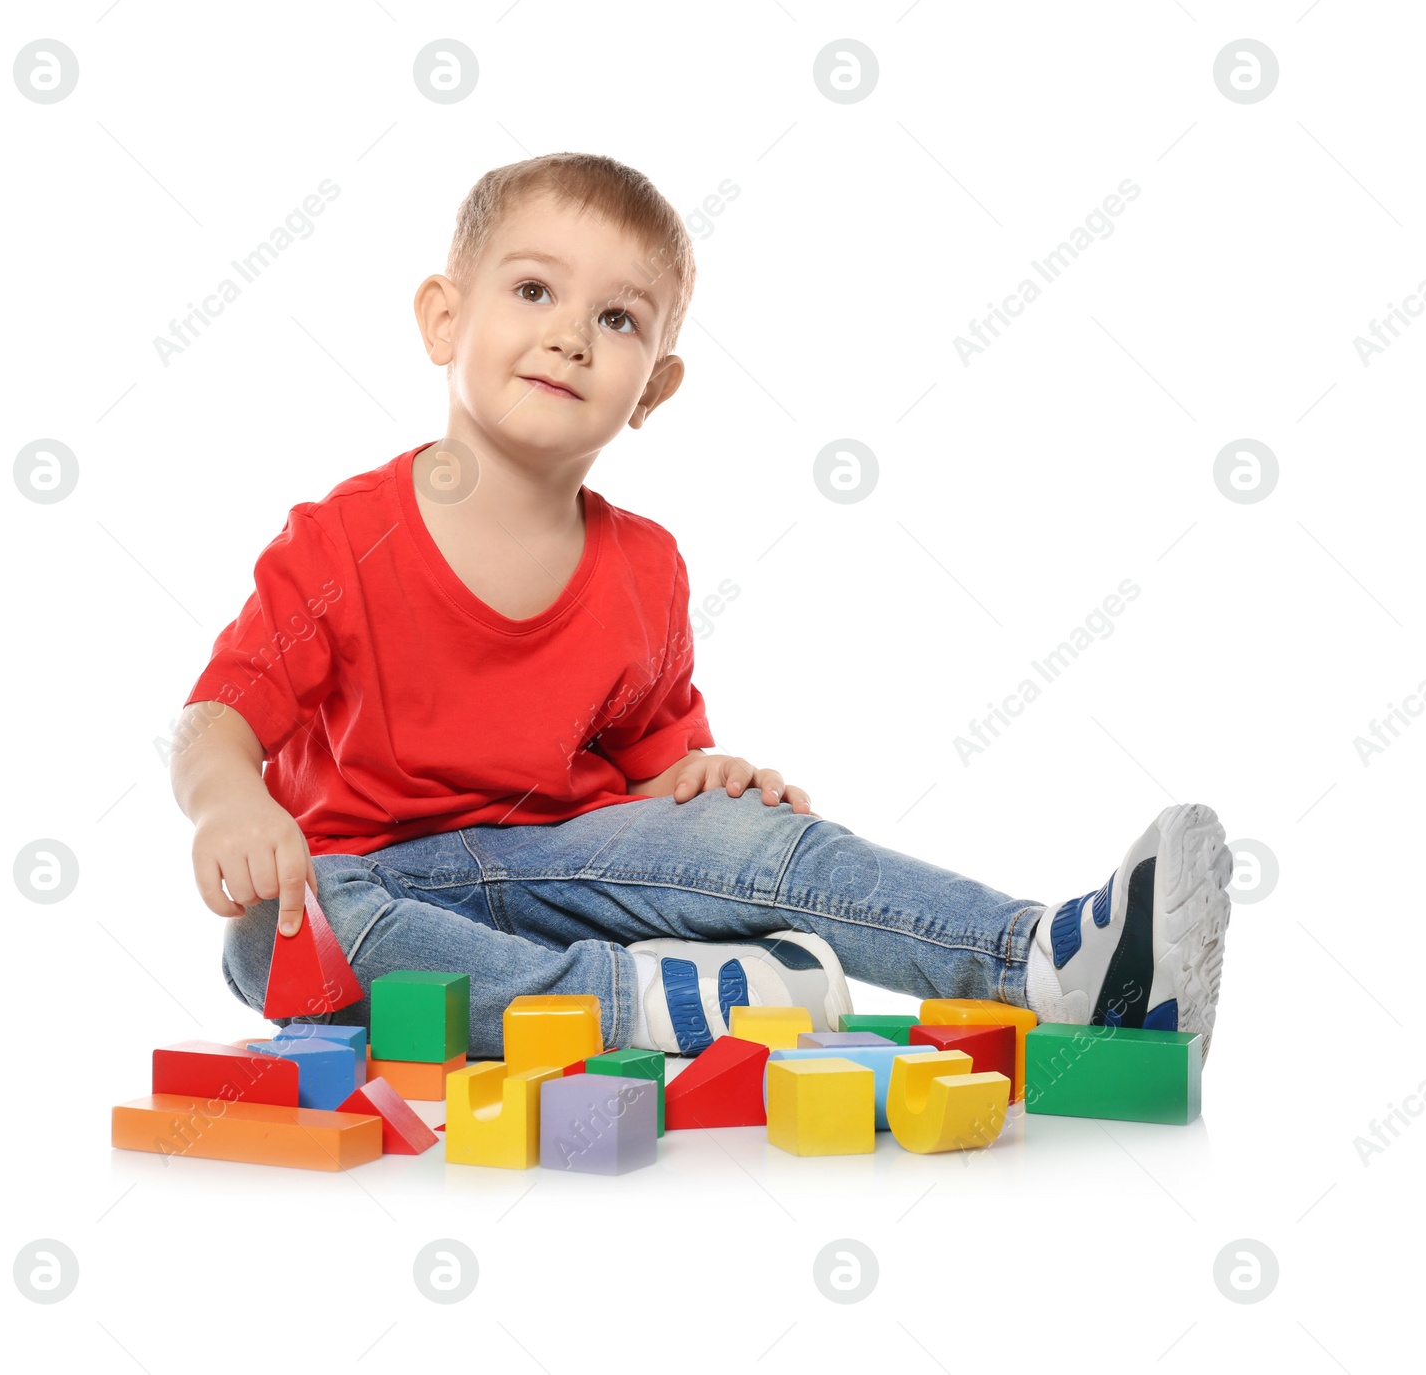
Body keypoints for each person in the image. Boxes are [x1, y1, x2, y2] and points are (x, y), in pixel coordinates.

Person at [170, 152, 1232, 1065]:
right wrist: (230, 803)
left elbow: (652, 776)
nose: (572, 336)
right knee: (265, 936)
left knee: (762, 836)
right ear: (444, 318)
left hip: (573, 867)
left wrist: (705, 784)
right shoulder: (344, 540)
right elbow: (217, 717)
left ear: (653, 390)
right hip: (383, 888)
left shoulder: (645, 569)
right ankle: (648, 1000)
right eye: (534, 291)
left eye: (616, 317)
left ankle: (1047, 959)